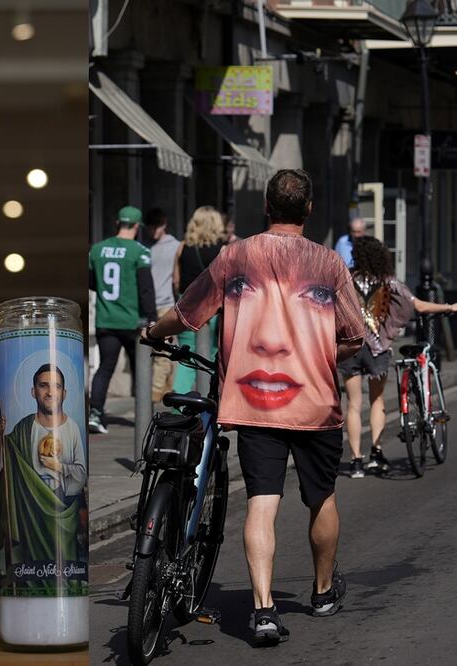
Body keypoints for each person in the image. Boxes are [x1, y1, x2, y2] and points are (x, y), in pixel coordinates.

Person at [145, 169, 365, 646]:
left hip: (251, 400)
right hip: (314, 401)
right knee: (321, 496)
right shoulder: (328, 264)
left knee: (261, 503)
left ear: (265, 207)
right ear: (309, 210)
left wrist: (152, 333)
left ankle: (263, 610)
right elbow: (354, 336)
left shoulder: (236, 255)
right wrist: (321, 354)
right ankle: (324, 592)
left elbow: (187, 311)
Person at [340, 236, 457, 478]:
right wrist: (449, 307)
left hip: (350, 347)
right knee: (377, 401)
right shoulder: (389, 282)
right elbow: (419, 306)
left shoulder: (346, 280)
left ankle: (355, 462)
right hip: (377, 348)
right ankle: (376, 452)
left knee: (352, 405)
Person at [0, 364, 86, 586]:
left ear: (64, 393)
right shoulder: (24, 428)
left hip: (61, 508)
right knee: (30, 570)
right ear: (33, 391)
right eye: (43, 385)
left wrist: (59, 466)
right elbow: (5, 465)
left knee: (63, 573)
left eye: (56, 386)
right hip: (30, 512)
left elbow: (81, 474)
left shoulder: (71, 428)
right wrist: (0, 438)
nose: (50, 392)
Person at [87, 205, 155, 434]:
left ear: (118, 223)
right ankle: (144, 416)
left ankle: (95, 414)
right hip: (132, 321)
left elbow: (92, 281)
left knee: (105, 367)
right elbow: (146, 289)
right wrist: (152, 318)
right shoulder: (139, 251)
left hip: (106, 318)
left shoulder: (96, 249)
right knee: (142, 369)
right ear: (137, 226)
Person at [171, 206, 225, 395]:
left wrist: (178, 302)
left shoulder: (182, 247)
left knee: (187, 353)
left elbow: (176, 280)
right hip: (214, 310)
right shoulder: (223, 250)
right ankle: (209, 396)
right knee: (211, 354)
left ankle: (179, 397)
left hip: (187, 306)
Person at [145, 209, 181, 401]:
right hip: (150, 305)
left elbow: (177, 279)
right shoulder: (144, 247)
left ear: (164, 224)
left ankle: (156, 392)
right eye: (150, 227)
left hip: (167, 304)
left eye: (156, 226)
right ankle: (163, 388)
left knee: (164, 350)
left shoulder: (176, 246)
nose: (153, 231)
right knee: (160, 350)